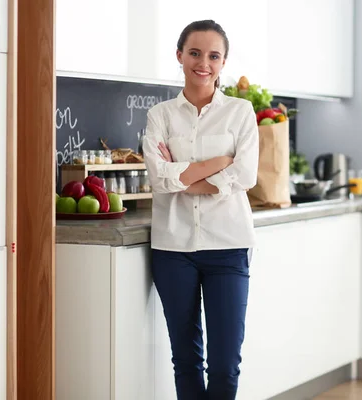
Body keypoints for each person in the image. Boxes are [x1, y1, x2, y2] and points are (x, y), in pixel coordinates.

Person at [142, 19, 259, 400]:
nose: (203, 63)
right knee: (186, 360)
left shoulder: (241, 112)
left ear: (223, 62)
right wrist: (219, 162)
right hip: (173, 250)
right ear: (179, 56)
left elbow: (245, 175)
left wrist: (184, 177)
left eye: (213, 55)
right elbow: (159, 178)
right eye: (194, 53)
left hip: (228, 247)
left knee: (225, 365)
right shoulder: (160, 115)